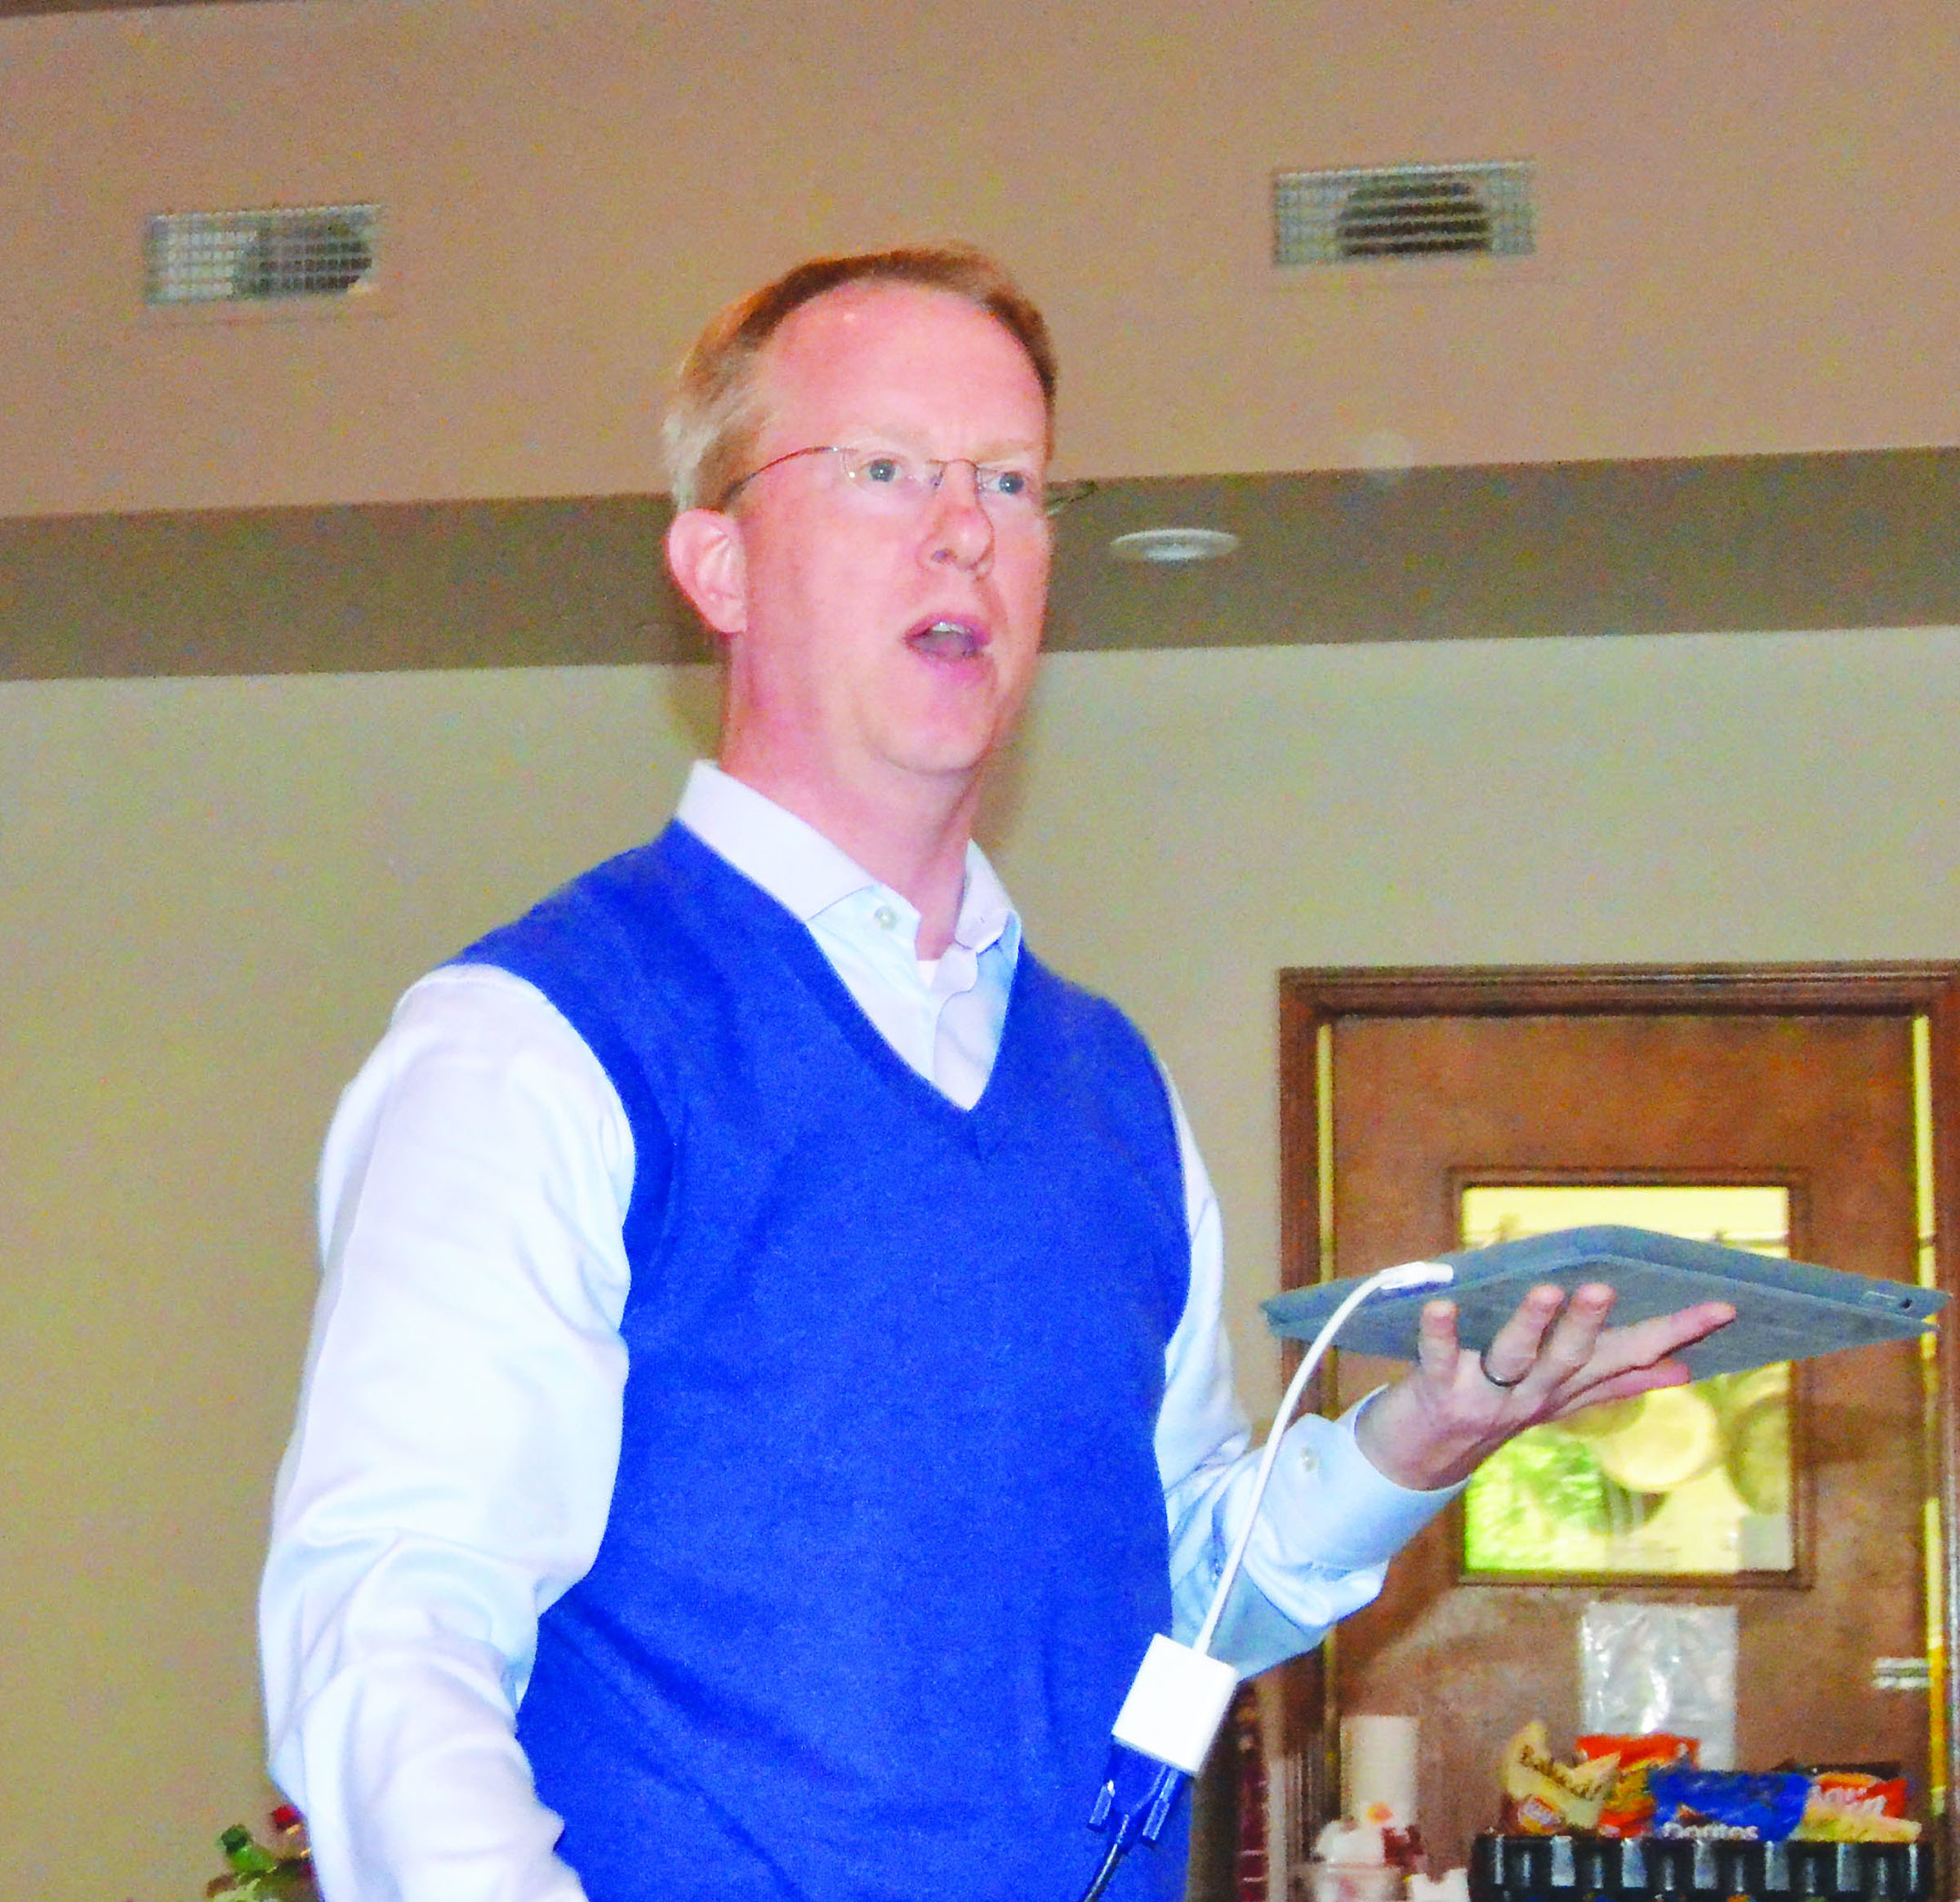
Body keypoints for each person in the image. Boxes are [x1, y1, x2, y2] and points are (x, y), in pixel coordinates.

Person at [259, 243, 1731, 1902]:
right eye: (884, 469)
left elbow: (1179, 1590)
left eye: (1012, 482)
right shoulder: (537, 1043)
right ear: (717, 563)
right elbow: (389, 1623)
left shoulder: (1112, 1093)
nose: (963, 525)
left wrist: (1414, 1446)